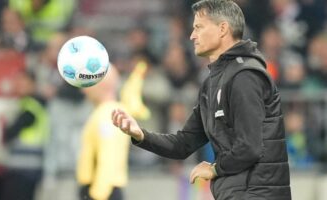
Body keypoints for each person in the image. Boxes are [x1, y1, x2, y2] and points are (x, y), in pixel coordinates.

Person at [112, 0, 292, 199]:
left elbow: (249, 147)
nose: (192, 35)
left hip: (258, 194)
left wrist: (214, 169)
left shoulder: (245, 76)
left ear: (223, 28)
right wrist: (140, 135)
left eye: (198, 27)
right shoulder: (212, 83)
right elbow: (183, 144)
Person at [76, 66, 130, 200]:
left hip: (102, 190)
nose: (83, 90)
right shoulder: (108, 112)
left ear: (101, 84)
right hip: (102, 189)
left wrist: (98, 195)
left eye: (88, 83)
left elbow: (108, 156)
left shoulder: (108, 114)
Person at [2, 70, 48, 200]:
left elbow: (11, 132)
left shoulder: (31, 107)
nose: (19, 86)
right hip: (30, 167)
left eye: (23, 83)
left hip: (24, 168)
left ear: (32, 84)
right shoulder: (33, 104)